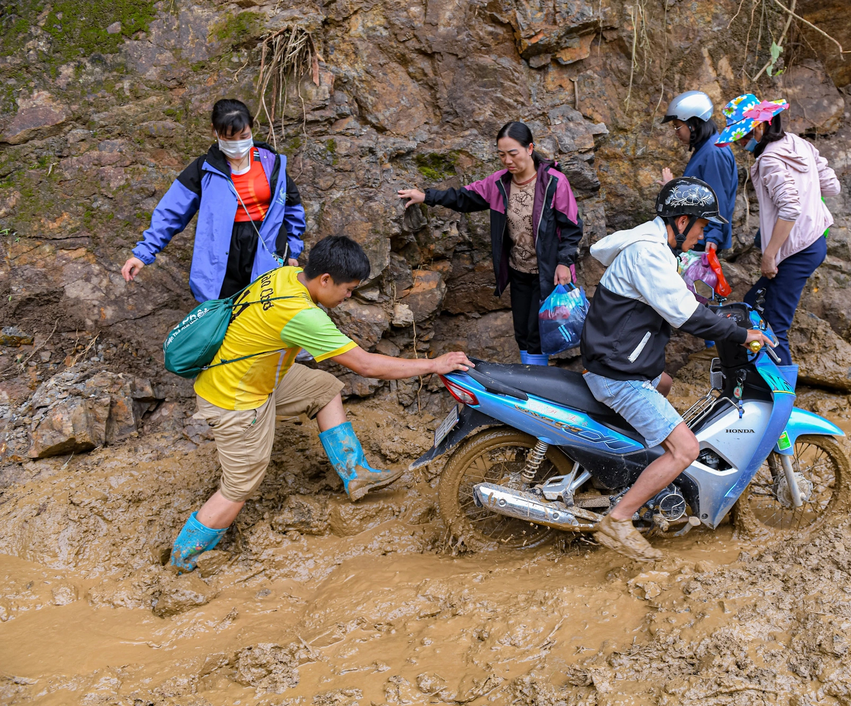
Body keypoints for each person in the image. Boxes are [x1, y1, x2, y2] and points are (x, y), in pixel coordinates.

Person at [168, 235, 473, 572]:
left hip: (255, 376)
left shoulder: (284, 275)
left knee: (323, 387)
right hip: (237, 399)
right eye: (347, 289)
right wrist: (433, 364)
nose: (348, 296)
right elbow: (367, 365)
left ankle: (356, 474)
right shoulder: (302, 314)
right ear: (325, 279)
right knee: (240, 486)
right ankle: (183, 560)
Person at [581, 177, 774, 561]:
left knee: (666, 382)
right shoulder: (648, 255)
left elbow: (680, 301)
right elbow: (685, 314)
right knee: (685, 448)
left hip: (620, 362)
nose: (702, 236)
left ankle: (624, 471)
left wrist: (718, 314)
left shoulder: (652, 247)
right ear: (682, 221)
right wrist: (740, 333)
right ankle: (618, 520)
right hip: (620, 375)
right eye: (702, 226)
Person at [398, 122, 583, 366]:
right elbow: (464, 198)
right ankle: (530, 378)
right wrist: (426, 196)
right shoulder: (499, 184)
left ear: (529, 148)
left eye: (512, 153)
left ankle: (536, 384)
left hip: (548, 272)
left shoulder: (553, 183)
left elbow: (572, 226)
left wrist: (563, 262)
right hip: (519, 270)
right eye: (501, 154)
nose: (507, 160)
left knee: (537, 332)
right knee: (522, 333)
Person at [122, 99, 306, 302]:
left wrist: (292, 250)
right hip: (222, 252)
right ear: (215, 132)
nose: (237, 143)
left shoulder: (272, 163)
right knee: (223, 313)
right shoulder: (204, 169)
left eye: (243, 136)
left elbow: (292, 208)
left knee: (264, 309)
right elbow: (171, 212)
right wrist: (143, 254)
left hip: (267, 247)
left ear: (252, 128)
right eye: (229, 138)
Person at [716, 94, 841, 366]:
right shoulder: (799, 144)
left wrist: (769, 254)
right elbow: (832, 186)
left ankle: (782, 393)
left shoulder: (770, 159)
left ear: (759, 127)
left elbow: (790, 209)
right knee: (752, 302)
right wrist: (806, 190)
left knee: (774, 326)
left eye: (742, 136)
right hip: (814, 241)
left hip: (794, 250)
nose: (740, 143)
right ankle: (752, 368)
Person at [660, 91, 738, 253]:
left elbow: (717, 197)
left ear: (692, 124)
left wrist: (713, 236)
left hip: (702, 240)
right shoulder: (705, 148)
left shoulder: (713, 152)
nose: (676, 132)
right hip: (696, 236)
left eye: (677, 125)